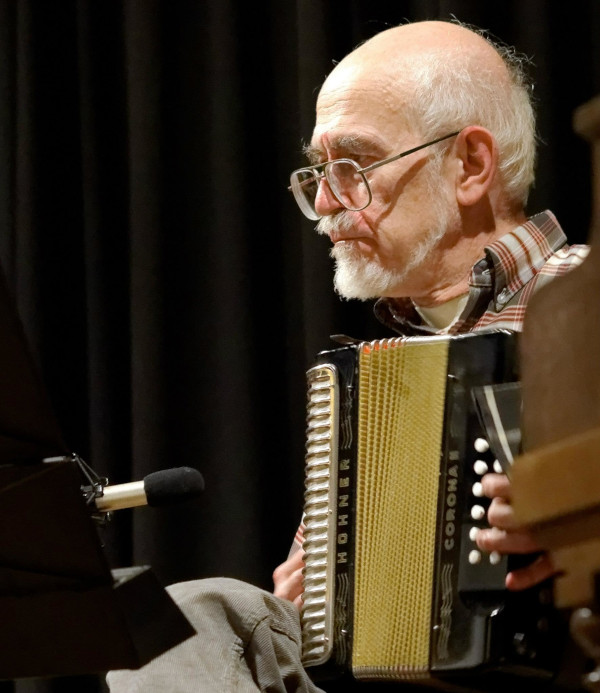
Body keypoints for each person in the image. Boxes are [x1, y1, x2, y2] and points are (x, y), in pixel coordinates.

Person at [107, 18, 589, 693]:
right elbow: (312, 624)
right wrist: (311, 598)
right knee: (193, 616)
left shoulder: (585, 306)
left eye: (355, 167)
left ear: (471, 166)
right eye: (319, 172)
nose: (327, 203)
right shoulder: (375, 375)